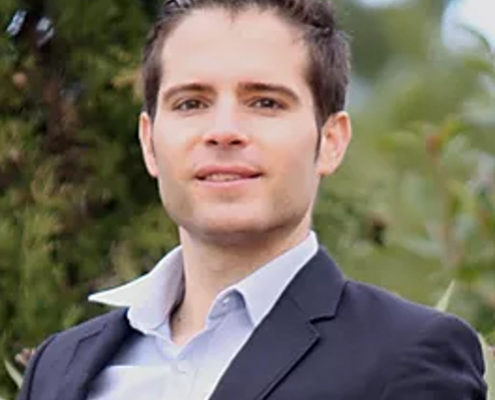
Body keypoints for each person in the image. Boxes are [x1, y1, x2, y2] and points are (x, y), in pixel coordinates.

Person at [17, 0, 486, 399]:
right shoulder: (56, 368)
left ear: (331, 141)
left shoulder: (407, 356)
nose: (223, 131)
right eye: (191, 103)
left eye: (265, 102)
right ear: (149, 142)